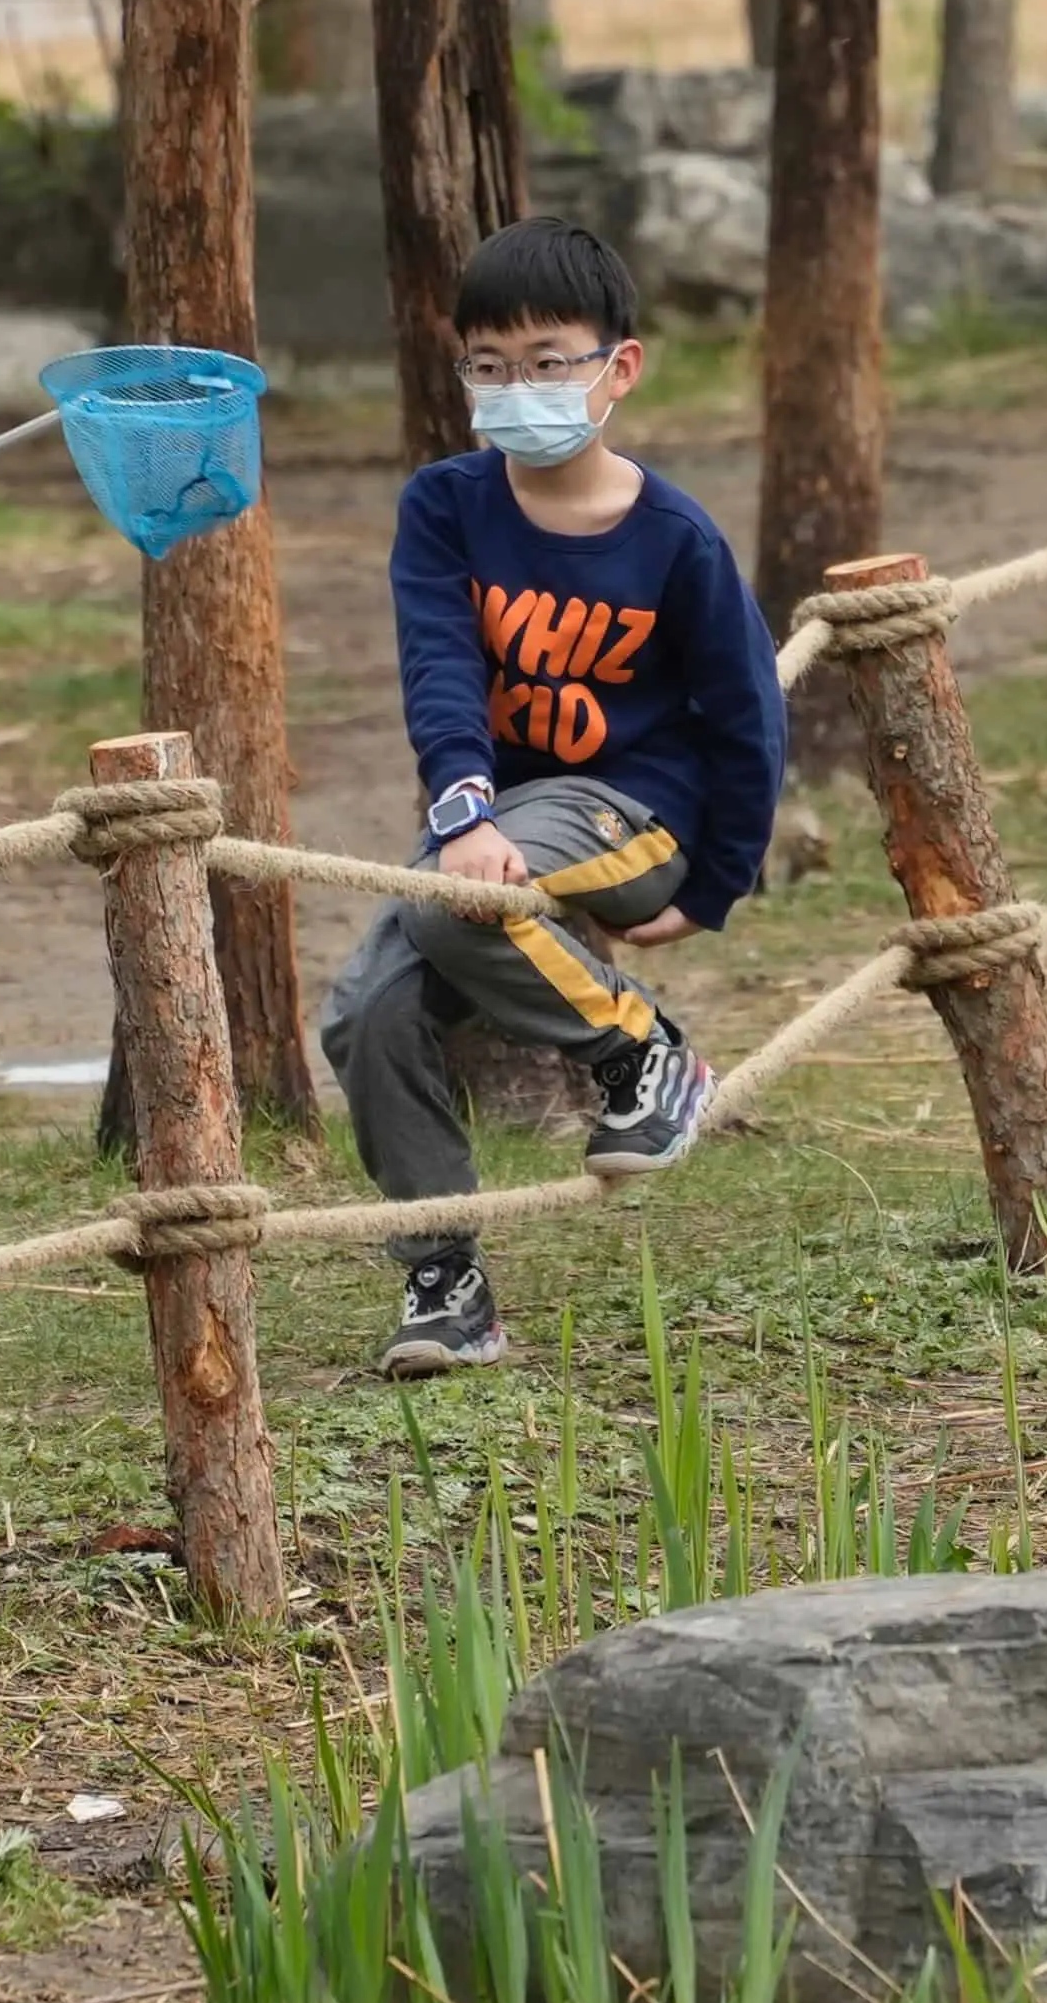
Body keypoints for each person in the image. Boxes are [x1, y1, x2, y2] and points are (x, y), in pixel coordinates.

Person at [329, 218, 784, 1376]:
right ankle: (446, 1282)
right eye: (487, 365)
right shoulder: (444, 508)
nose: (514, 387)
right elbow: (439, 673)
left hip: (637, 816)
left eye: (546, 360)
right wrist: (464, 815)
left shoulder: (675, 539)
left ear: (616, 368)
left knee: (450, 904)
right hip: (496, 825)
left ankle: (645, 1054)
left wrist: (718, 883)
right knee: (366, 1009)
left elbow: (747, 718)